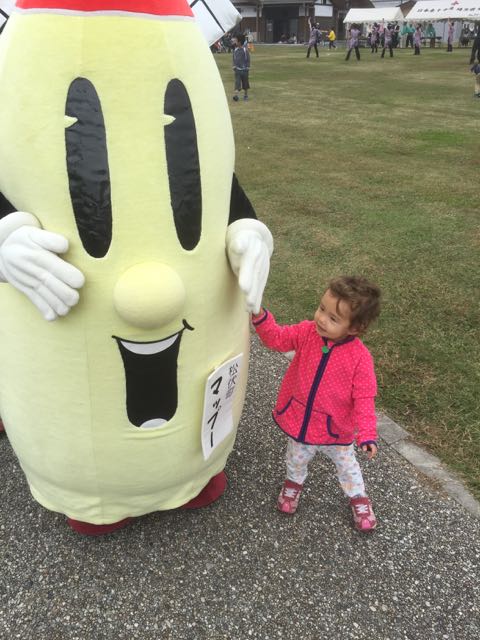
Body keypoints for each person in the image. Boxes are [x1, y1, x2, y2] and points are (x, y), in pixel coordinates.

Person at [251, 276, 381, 532]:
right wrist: (260, 316)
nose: (321, 319)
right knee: (295, 459)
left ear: (355, 328)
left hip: (336, 431)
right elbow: (277, 339)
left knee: (348, 467)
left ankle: (358, 498)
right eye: (322, 308)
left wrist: (367, 434)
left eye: (333, 318)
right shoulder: (307, 332)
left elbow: (365, 398)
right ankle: (293, 484)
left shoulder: (360, 359)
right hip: (302, 423)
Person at [232, 34, 250, 102]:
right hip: (237, 70)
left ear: (239, 42)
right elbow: (234, 59)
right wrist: (234, 65)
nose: (235, 42)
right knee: (237, 83)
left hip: (245, 70)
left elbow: (248, 59)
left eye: (236, 40)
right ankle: (236, 95)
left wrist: (248, 66)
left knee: (245, 83)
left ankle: (245, 95)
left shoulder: (245, 50)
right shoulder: (235, 50)